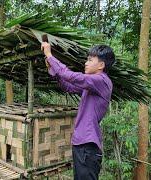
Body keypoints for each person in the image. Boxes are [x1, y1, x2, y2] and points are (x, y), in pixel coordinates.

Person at [41, 42, 115, 180]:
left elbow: (72, 76)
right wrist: (53, 69)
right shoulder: (91, 85)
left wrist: (50, 55)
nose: (86, 63)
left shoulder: (101, 81)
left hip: (88, 146)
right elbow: (68, 86)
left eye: (90, 60)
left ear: (101, 65)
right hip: (82, 145)